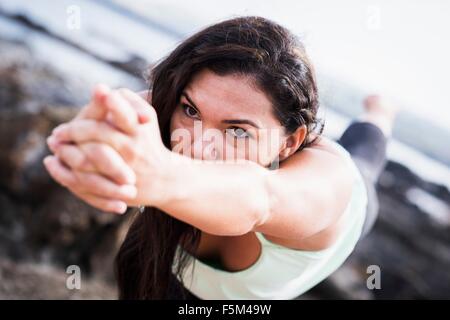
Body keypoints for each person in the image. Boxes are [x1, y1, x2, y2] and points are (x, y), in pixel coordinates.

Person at [44, 16, 396, 300]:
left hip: (352, 191)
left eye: (238, 131)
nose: (198, 148)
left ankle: (380, 111)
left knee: (366, 150)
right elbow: (124, 109)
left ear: (290, 143)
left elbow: (260, 200)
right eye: (191, 110)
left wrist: (160, 175)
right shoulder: (169, 109)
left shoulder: (326, 184)